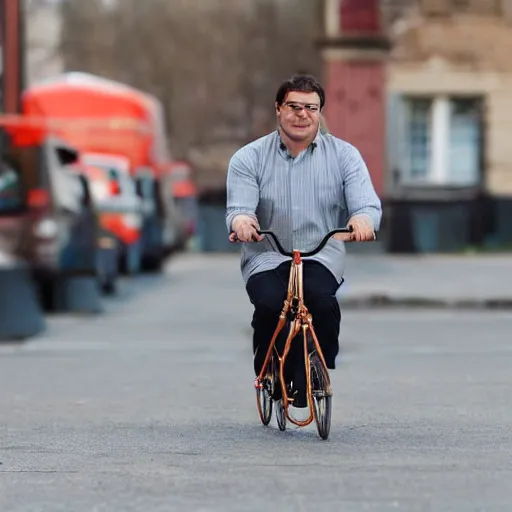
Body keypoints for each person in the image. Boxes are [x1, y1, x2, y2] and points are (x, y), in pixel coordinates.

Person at [226, 74, 382, 407]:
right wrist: (242, 222)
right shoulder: (248, 158)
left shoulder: (344, 156)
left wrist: (362, 221)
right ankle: (268, 368)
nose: (302, 114)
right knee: (271, 305)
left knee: (321, 303)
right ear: (279, 109)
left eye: (311, 108)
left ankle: (315, 369)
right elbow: (240, 208)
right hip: (267, 253)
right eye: (294, 106)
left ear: (320, 111)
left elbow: (365, 203)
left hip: (320, 252)